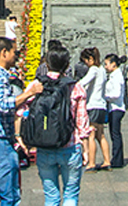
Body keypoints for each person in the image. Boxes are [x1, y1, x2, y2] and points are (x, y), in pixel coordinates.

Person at [0, 37, 43, 206]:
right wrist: (28, 93)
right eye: (14, 52)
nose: (16, 56)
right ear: (4, 53)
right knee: (9, 197)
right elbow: (4, 104)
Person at [32, 45, 91, 206]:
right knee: (71, 194)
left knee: (51, 196)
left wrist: (24, 137)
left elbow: (24, 111)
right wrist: (86, 148)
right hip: (70, 146)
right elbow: (82, 121)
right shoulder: (74, 86)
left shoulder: (37, 85)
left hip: (44, 146)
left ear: (47, 64)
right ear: (67, 65)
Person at [79, 47, 110, 170]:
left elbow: (83, 82)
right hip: (101, 106)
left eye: (85, 60)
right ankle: (107, 160)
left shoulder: (94, 69)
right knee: (100, 135)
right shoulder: (102, 69)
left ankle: (91, 163)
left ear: (90, 59)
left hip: (93, 105)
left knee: (91, 135)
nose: (85, 63)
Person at [103, 53, 126, 168]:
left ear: (113, 64)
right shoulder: (114, 75)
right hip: (114, 107)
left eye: (107, 64)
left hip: (116, 107)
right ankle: (117, 158)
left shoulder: (117, 76)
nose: (106, 67)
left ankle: (117, 159)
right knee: (114, 133)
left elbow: (116, 94)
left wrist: (106, 97)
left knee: (115, 134)